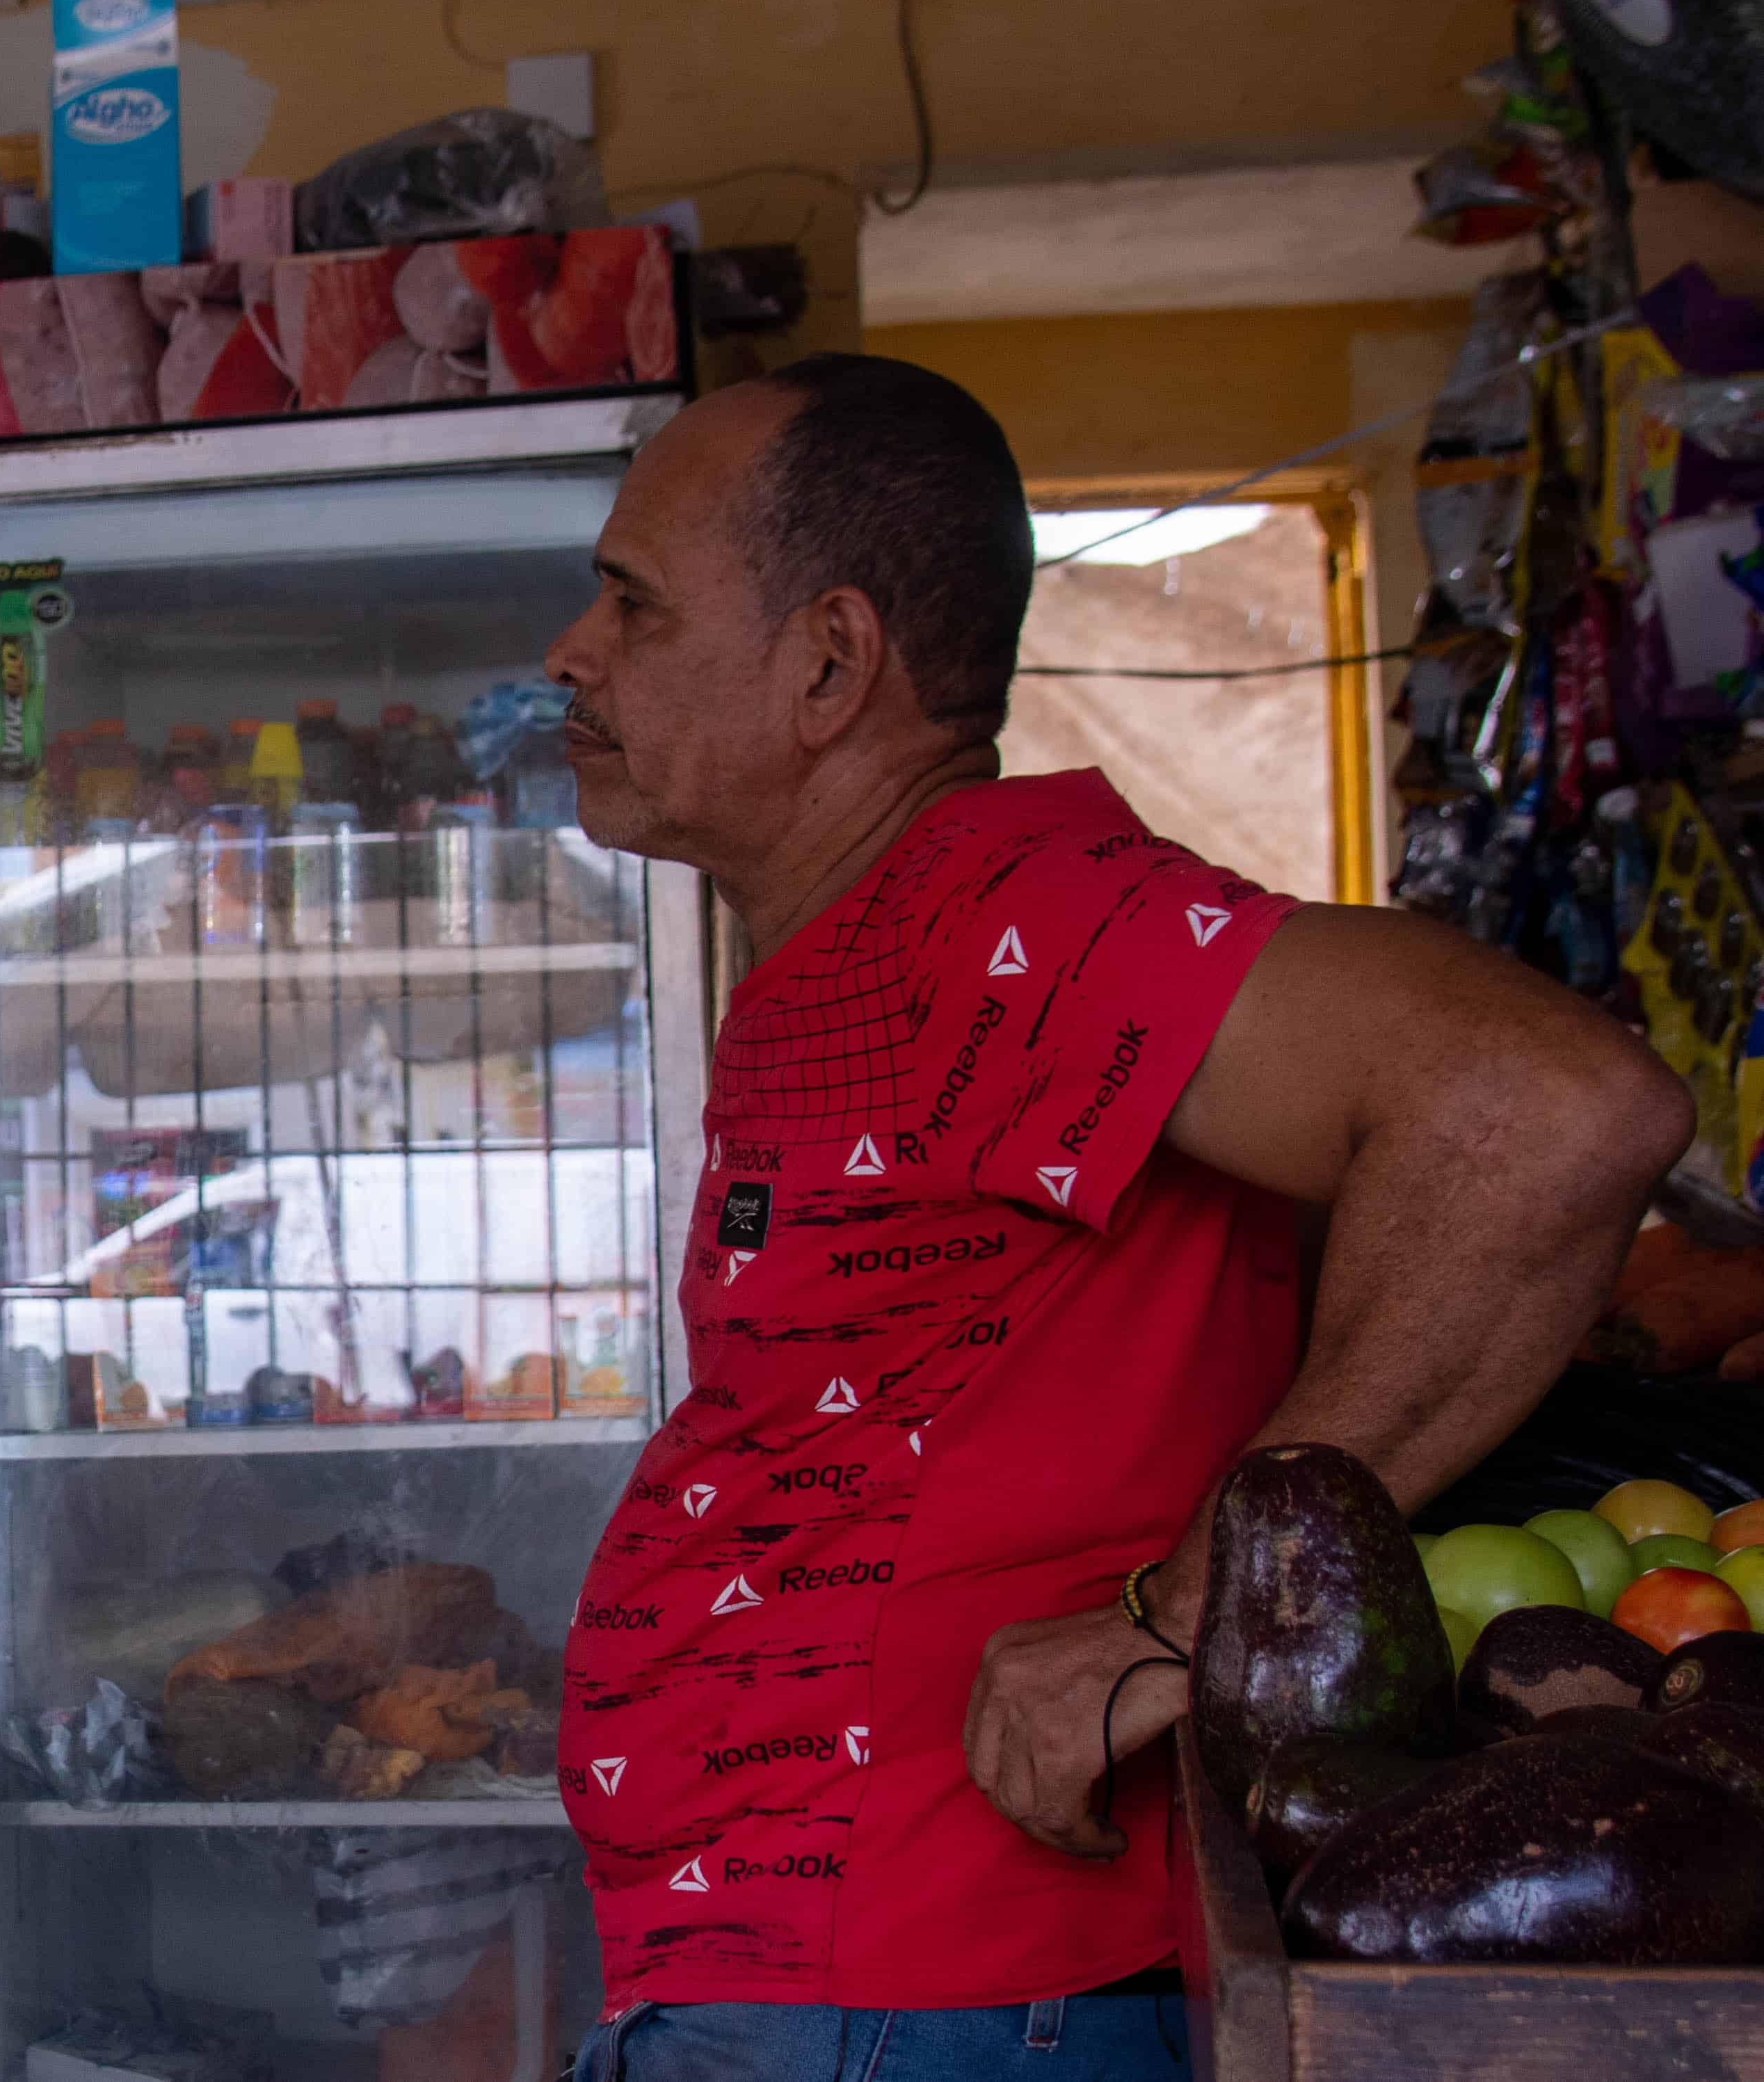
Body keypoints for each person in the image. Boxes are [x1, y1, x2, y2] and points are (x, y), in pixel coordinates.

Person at [540, 355, 1689, 2082]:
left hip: (930, 1997)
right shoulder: (887, 938)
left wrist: (1190, 1610)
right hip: (846, 1983)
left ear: (831, 663)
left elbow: (1550, 1106)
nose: (573, 649)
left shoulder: (994, 911)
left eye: (631, 602)